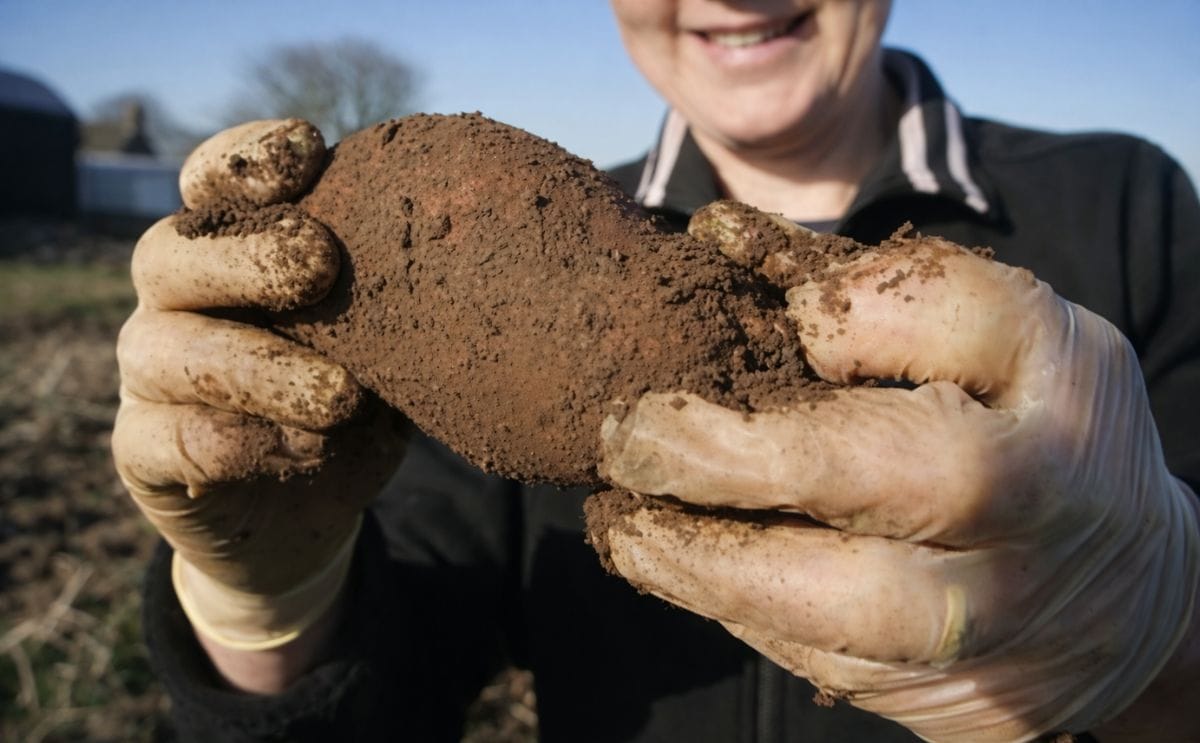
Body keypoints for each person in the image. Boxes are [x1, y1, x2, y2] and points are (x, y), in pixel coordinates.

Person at [113, 1, 1200, 740]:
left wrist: (1166, 623)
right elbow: (391, 701)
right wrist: (267, 603)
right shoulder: (494, 258)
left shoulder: (1127, 211)